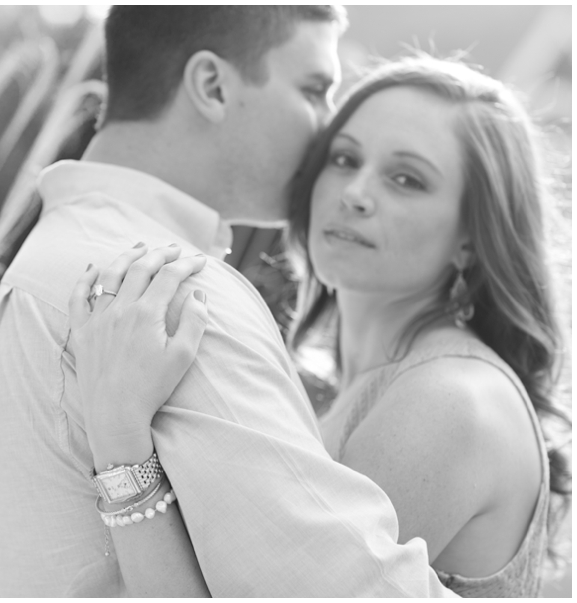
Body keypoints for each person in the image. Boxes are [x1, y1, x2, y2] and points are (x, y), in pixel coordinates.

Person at [0, 5, 455, 597]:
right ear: (212, 85)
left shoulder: (50, 258)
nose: (327, 128)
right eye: (314, 90)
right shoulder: (164, 294)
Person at [67, 56, 571, 597]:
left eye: (407, 179)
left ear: (473, 237)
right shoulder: (342, 381)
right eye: (344, 158)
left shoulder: (449, 401)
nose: (354, 192)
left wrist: (119, 438)